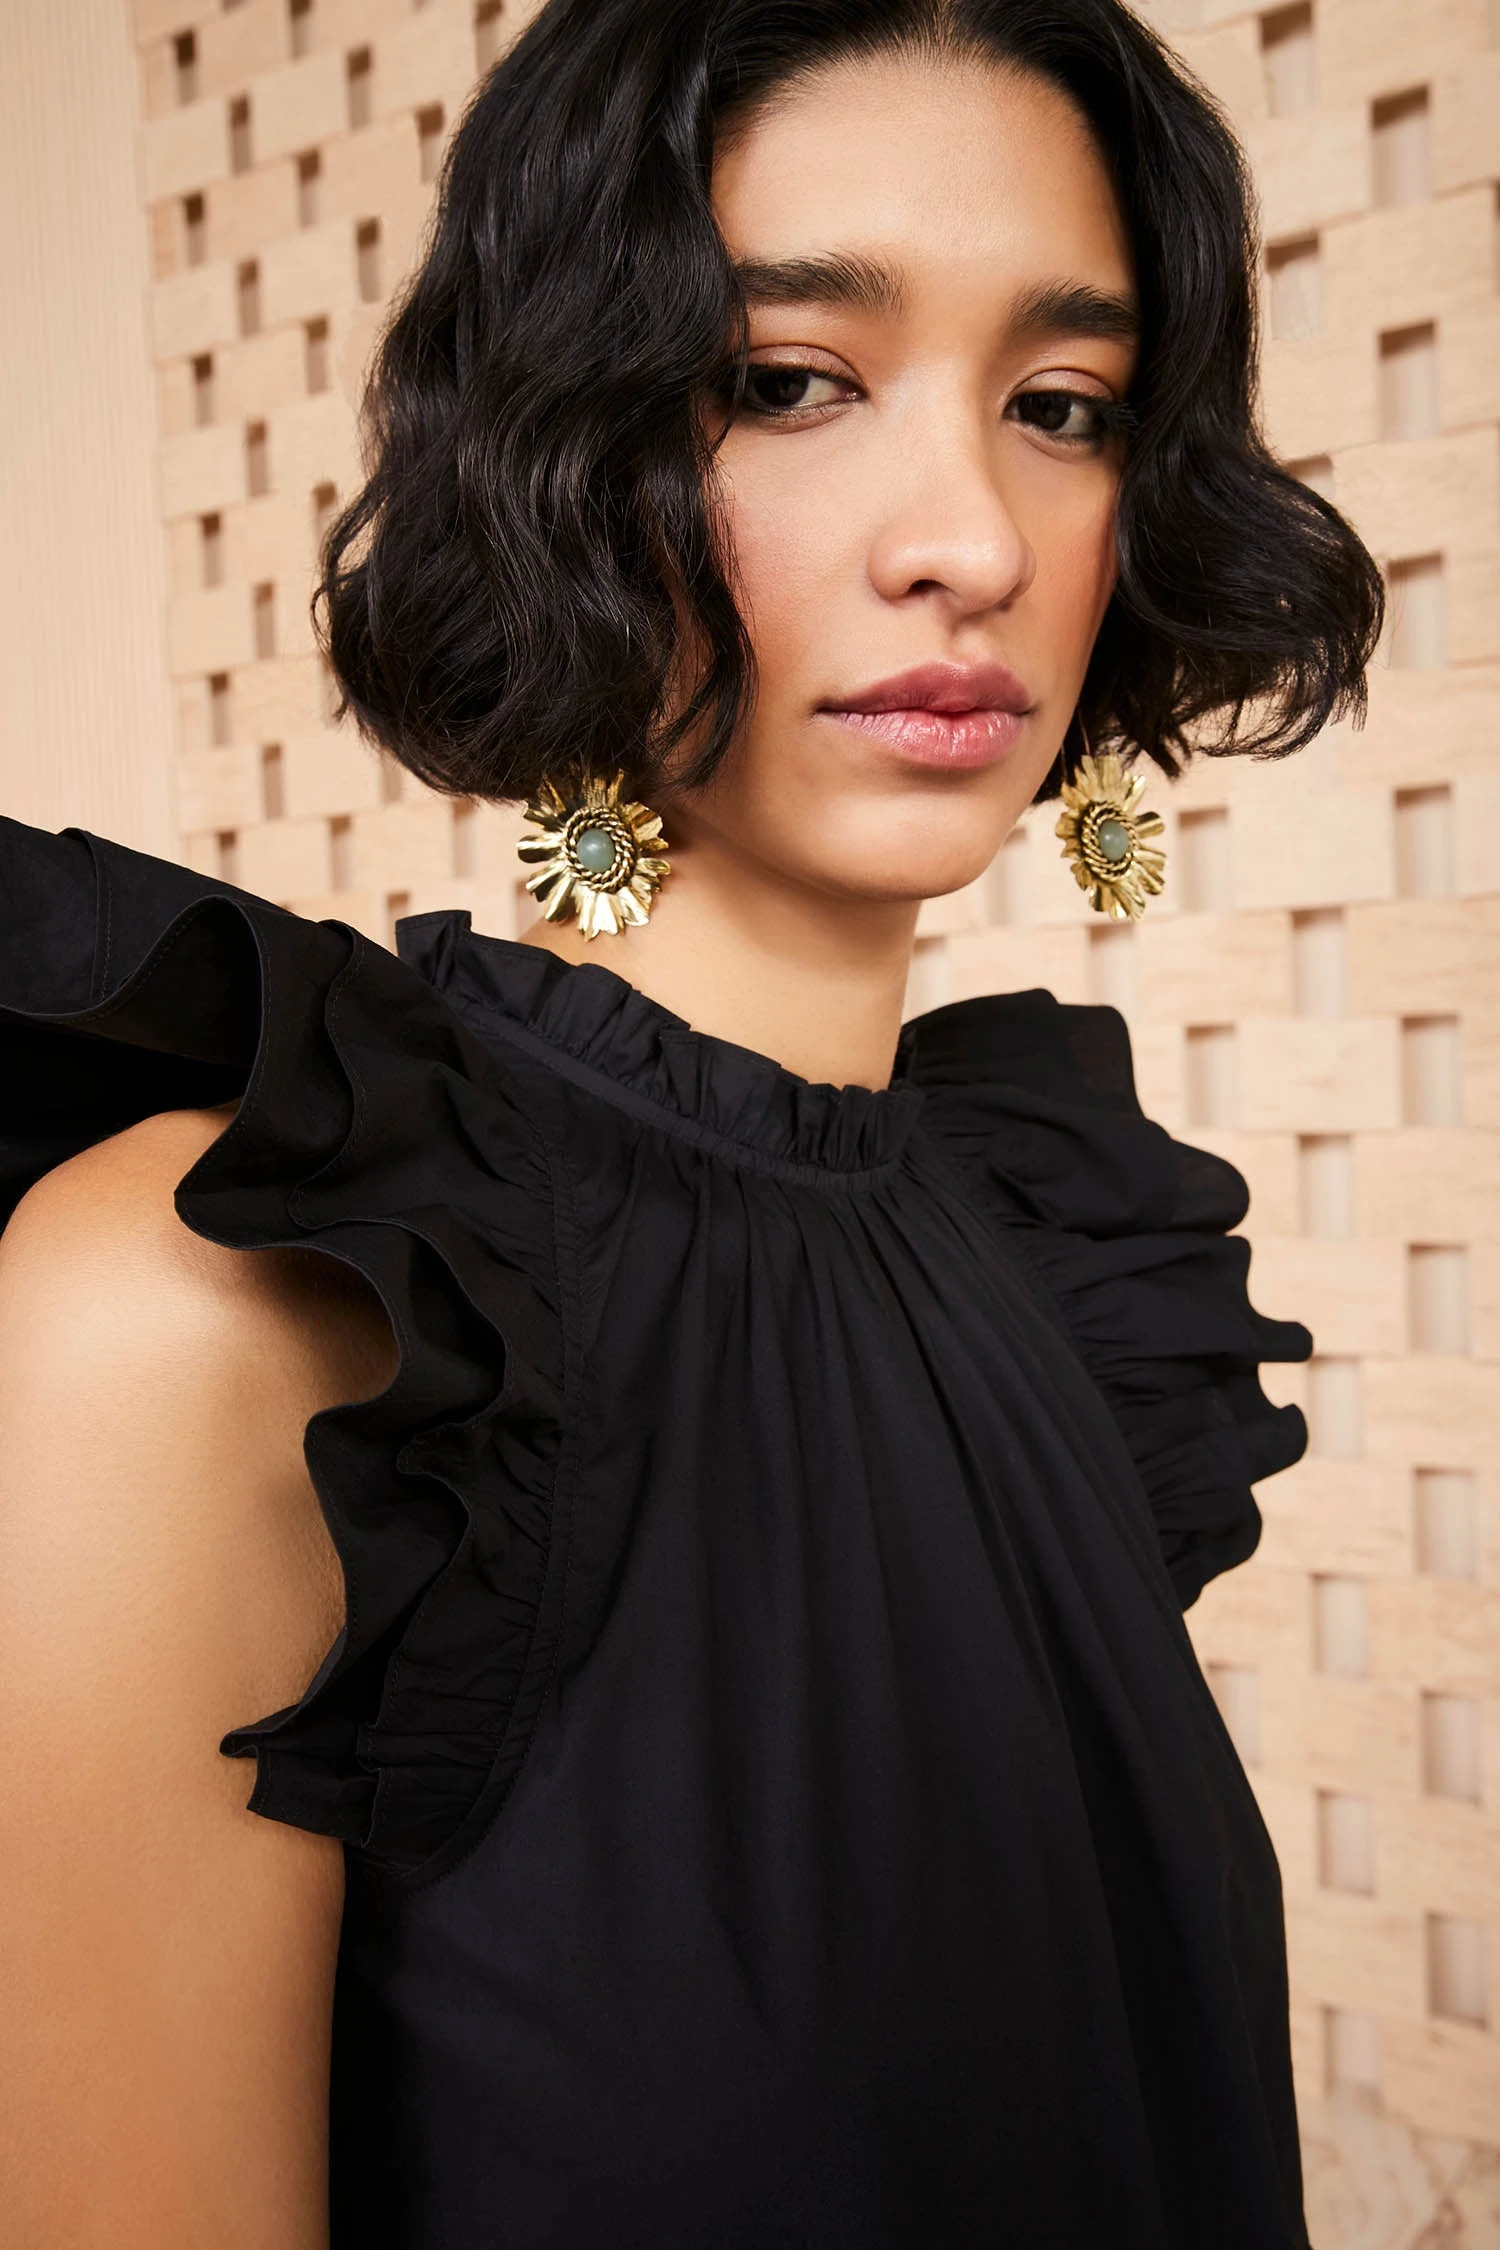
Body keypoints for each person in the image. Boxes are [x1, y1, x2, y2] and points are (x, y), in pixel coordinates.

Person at [0, 1, 1383, 2244]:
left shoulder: (1061, 1262)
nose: (971, 539)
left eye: (1062, 406)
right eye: (789, 381)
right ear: (556, 449)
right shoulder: (227, 1307)